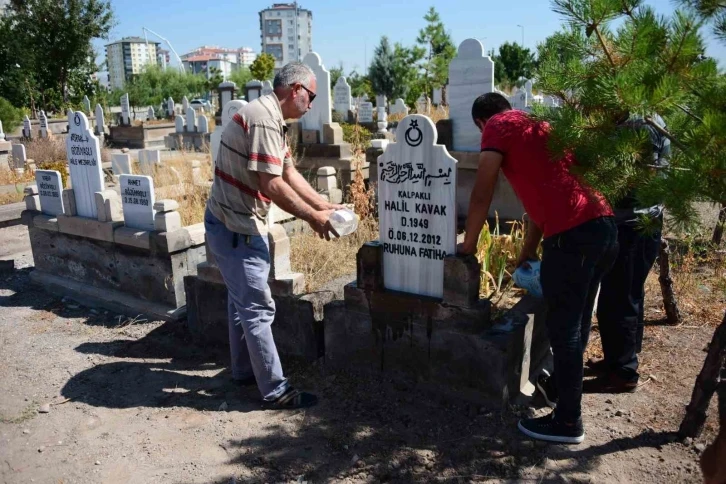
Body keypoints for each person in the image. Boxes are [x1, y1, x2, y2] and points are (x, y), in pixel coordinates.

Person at [458, 93, 618, 444]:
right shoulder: (539, 126)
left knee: (566, 330)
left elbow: (482, 192)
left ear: (481, 123)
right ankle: (561, 391)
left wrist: (467, 247)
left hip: (573, 236)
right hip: (603, 227)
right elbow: (546, 201)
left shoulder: (498, 125)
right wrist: (527, 250)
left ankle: (567, 422)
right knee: (576, 322)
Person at [205, 62, 341, 409]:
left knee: (241, 304)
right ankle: (276, 391)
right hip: (237, 229)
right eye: (310, 96)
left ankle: (243, 372)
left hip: (229, 224)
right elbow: (273, 184)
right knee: (258, 309)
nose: (311, 104)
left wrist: (324, 204)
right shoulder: (264, 119)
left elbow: (288, 171)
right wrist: (313, 218)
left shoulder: (270, 117)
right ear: (295, 90)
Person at [584, 114, 670, 392]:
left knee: (620, 296)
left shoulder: (640, 124)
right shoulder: (638, 119)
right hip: (632, 220)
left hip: (634, 223)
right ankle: (617, 359)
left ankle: (624, 372)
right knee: (623, 293)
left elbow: (640, 180)